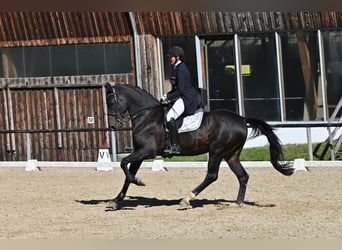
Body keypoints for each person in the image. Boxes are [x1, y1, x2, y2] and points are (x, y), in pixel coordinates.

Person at [162, 46, 199, 154]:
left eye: (171, 57)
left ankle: (175, 146)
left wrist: (168, 97)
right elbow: (175, 88)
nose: (170, 59)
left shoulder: (182, 69)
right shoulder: (176, 68)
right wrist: (166, 95)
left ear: (177, 57)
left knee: (169, 117)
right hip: (181, 95)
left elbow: (181, 90)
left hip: (187, 97)